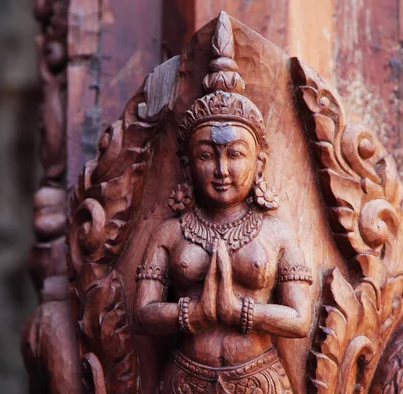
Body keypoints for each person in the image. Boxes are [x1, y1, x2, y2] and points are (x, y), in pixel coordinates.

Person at [133, 12, 312, 394]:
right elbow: (144, 314)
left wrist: (240, 312)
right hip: (186, 378)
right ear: (185, 164)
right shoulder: (170, 232)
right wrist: (192, 314)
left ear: (259, 162)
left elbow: (300, 319)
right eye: (205, 155)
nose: (221, 169)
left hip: (259, 376)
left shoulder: (277, 233)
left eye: (235, 154)